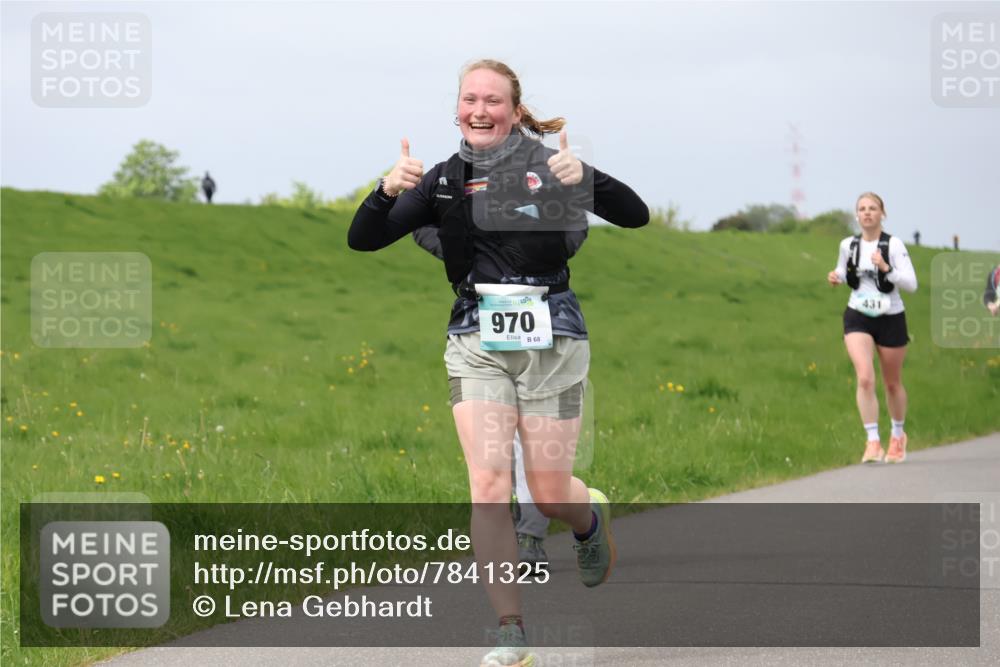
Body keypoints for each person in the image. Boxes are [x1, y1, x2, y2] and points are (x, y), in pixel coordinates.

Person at [349, 59, 648, 667]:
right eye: (469, 100)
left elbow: (635, 214)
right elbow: (363, 239)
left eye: (492, 101)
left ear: (514, 111)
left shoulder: (550, 168)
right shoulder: (439, 181)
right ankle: (511, 632)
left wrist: (587, 178)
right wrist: (384, 192)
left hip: (553, 337)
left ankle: (587, 520)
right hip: (475, 340)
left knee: (547, 489)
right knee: (488, 483)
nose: (479, 110)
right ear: (456, 108)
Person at [412, 226, 555, 570]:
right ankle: (509, 531)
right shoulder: (454, 179)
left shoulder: (541, 178)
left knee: (530, 439)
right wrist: (470, 257)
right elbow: (422, 223)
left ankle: (532, 535)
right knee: (493, 438)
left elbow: (572, 229)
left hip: (537, 315)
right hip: (478, 324)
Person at [827, 192, 917, 464]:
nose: (867, 213)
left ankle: (898, 435)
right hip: (858, 315)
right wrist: (836, 277)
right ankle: (872, 441)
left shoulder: (894, 244)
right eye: (862, 209)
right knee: (865, 378)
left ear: (882, 214)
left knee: (892, 383)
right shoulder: (848, 245)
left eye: (873, 208)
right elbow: (844, 270)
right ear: (857, 215)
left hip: (891, 316)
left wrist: (886, 268)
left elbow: (912, 285)